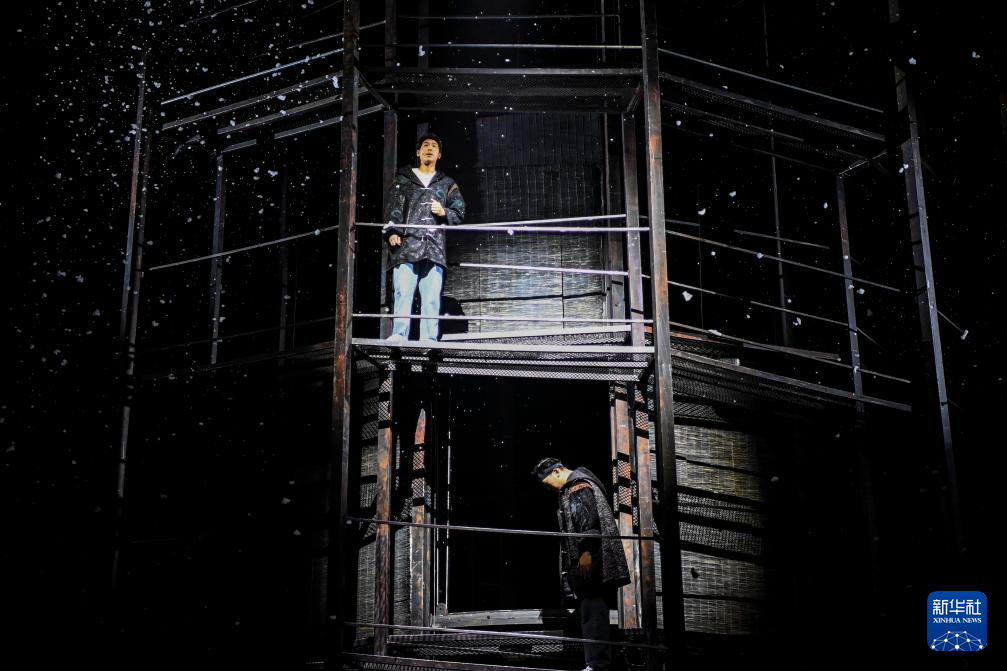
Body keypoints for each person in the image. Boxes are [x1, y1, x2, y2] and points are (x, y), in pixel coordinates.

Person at [533, 458, 630, 671]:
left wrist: (586, 550)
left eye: (548, 483)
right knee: (592, 611)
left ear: (557, 472)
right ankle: (595, 662)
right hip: (591, 556)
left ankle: (597, 664)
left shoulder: (579, 485)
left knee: (593, 611)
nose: (549, 488)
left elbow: (588, 520)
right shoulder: (576, 485)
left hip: (592, 557)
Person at [382, 133, 466, 343]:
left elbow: (459, 212)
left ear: (439, 155)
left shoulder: (446, 183)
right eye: (425, 145)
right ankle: (399, 334)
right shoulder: (404, 179)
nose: (429, 148)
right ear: (418, 152)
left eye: (434, 146)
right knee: (403, 292)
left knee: (431, 297)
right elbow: (393, 207)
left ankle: (429, 337)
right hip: (406, 244)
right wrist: (392, 231)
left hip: (434, 247)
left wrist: (444, 211)